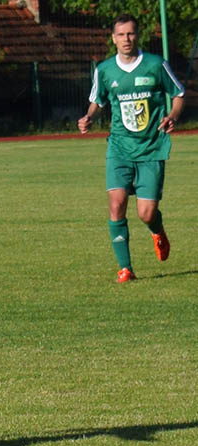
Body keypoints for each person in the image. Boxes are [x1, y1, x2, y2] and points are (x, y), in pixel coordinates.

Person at [78, 14, 185, 283]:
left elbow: (179, 94)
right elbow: (97, 100)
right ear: (113, 38)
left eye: (131, 34)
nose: (126, 39)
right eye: (121, 34)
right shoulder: (104, 70)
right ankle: (126, 268)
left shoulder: (155, 64)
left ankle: (157, 229)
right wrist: (89, 116)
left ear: (138, 35)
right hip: (119, 148)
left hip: (151, 148)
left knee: (145, 213)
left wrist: (172, 116)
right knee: (116, 205)